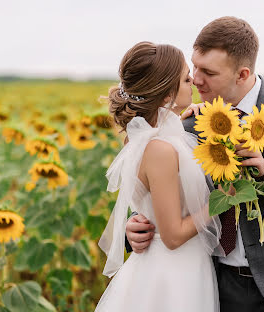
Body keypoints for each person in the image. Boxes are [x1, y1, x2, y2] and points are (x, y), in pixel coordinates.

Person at [126, 17, 264, 312]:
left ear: (242, 73)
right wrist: (135, 225)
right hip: (218, 286)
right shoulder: (188, 122)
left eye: (208, 72)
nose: (196, 79)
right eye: (194, 67)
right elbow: (160, 190)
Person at [95, 41, 224, 312]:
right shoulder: (160, 149)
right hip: (173, 270)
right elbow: (173, 236)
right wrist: (223, 200)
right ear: (167, 96)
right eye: (186, 79)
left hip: (176, 262)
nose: (194, 84)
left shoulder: (150, 137)